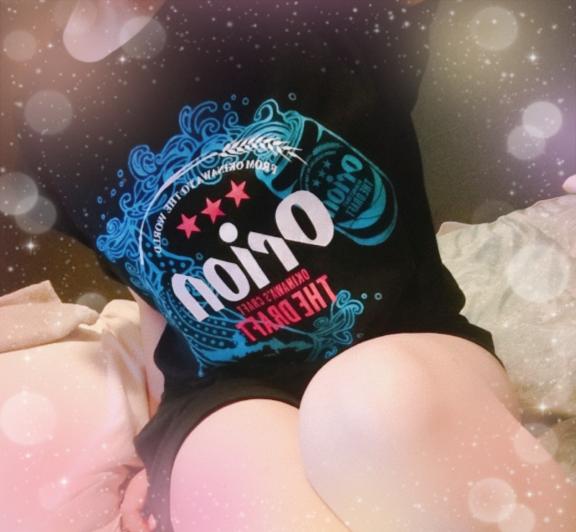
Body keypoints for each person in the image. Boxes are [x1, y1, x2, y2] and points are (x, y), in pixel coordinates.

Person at [21, 0, 576, 530]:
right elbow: (155, 296)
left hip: (402, 346)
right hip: (220, 397)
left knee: (369, 397)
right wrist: (161, 454)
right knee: (235, 477)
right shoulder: (46, 118)